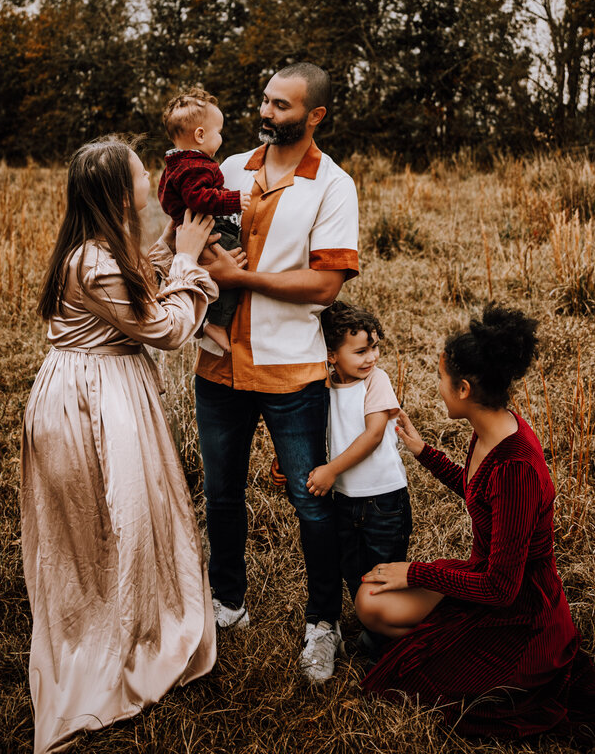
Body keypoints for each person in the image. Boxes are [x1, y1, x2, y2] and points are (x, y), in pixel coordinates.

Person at [21, 138, 220, 754]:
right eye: (140, 170)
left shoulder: (99, 249)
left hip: (93, 386)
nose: (150, 175)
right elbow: (163, 328)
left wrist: (169, 248)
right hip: (92, 401)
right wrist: (188, 264)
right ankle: (107, 640)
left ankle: (119, 611)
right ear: (116, 189)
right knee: (113, 512)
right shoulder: (98, 261)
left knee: (107, 518)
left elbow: (138, 282)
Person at [357, 305, 595, 742]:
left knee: (399, 678)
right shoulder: (492, 426)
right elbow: (479, 493)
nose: (438, 389)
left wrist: (415, 572)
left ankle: (449, 646)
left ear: (466, 387)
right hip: (488, 576)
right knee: (371, 600)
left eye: (441, 379)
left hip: (520, 613)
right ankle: (439, 639)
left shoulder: (516, 468)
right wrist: (424, 452)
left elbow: (501, 588)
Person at [194, 62, 359, 682]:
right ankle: (227, 602)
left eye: (282, 106)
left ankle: (323, 623)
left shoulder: (333, 185)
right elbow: (189, 240)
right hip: (217, 365)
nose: (266, 113)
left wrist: (242, 278)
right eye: (264, 101)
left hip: (292, 374)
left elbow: (324, 285)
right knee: (222, 494)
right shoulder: (229, 168)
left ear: (315, 115)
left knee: (309, 501)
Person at [307, 301, 411, 611]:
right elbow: (316, 427)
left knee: (383, 570)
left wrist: (331, 470)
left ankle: (387, 637)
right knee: (351, 566)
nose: (372, 358)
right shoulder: (324, 384)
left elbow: (373, 435)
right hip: (345, 499)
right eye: (361, 351)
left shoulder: (376, 381)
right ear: (331, 355)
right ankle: (370, 621)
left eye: (374, 347)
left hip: (384, 499)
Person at [158, 88, 251, 354]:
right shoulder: (195, 165)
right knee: (234, 268)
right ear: (200, 135)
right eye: (218, 131)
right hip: (209, 227)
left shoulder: (175, 164)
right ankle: (217, 324)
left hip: (191, 228)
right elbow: (198, 198)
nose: (220, 136)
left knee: (211, 271)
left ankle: (205, 318)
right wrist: (232, 200)